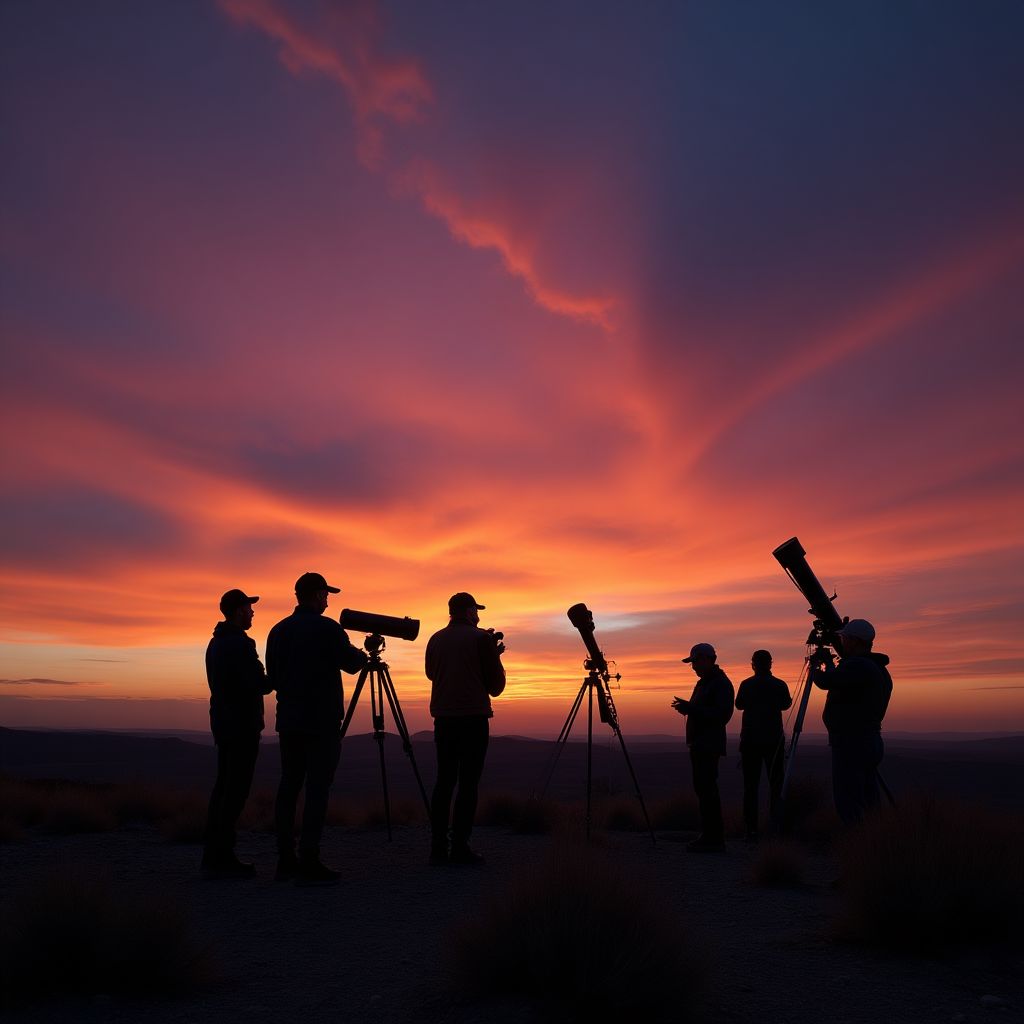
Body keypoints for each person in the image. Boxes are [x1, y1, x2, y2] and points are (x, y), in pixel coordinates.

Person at [267, 571, 368, 884]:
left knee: (289, 786)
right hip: (321, 722)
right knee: (317, 789)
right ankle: (309, 859)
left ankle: (286, 857)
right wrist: (366, 652)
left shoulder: (278, 630)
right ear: (315, 595)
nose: (328, 600)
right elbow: (352, 664)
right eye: (326, 594)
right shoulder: (328, 629)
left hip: (290, 720)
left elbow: (273, 677)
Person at [425, 592, 506, 866]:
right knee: (468, 784)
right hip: (473, 719)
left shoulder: (435, 639)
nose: (479, 615)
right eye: (476, 610)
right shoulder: (481, 638)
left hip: (444, 720)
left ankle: (438, 847)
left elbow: (431, 674)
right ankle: (460, 847)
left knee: (444, 782)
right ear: (470, 611)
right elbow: (496, 687)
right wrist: (495, 657)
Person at [202, 588, 270, 878]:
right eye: (249, 607)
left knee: (223, 790)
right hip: (242, 725)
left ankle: (213, 855)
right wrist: (277, 676)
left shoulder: (215, 643)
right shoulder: (240, 644)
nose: (253, 612)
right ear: (239, 610)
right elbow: (258, 684)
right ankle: (222, 859)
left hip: (224, 724)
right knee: (235, 792)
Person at [810, 618, 893, 825]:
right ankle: (873, 840)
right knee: (867, 792)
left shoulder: (858, 666)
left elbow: (826, 681)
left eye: (844, 638)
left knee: (848, 795)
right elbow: (840, 679)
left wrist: (816, 668)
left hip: (851, 740)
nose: (842, 641)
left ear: (855, 641)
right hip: (869, 738)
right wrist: (830, 664)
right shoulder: (879, 669)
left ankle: (854, 839)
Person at [672, 642, 735, 852]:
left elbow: (722, 715)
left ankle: (714, 839)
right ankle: (709, 836)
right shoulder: (705, 683)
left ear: (709, 659)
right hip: (700, 743)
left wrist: (692, 709)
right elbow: (704, 710)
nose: (694, 666)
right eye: (692, 663)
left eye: (696, 661)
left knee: (708, 791)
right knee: (703, 790)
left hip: (709, 744)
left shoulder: (720, 684)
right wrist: (689, 709)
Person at [734, 650, 792, 841]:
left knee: (751, 787)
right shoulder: (779, 685)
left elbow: (739, 705)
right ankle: (775, 828)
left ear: (753, 664)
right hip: (774, 741)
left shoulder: (747, 684)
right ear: (770, 664)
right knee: (775, 784)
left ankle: (751, 830)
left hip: (750, 742)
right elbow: (786, 705)